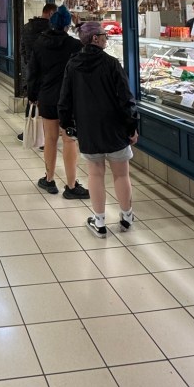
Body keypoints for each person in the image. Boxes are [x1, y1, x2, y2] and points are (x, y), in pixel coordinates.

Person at [58, 20, 138, 237]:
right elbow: (126, 99)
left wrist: (66, 124)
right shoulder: (111, 63)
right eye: (104, 35)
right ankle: (127, 216)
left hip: (88, 129)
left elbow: (65, 99)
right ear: (95, 38)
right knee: (121, 174)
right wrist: (131, 127)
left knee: (95, 174)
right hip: (115, 129)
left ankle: (100, 222)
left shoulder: (73, 65)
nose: (106, 38)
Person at [26, 5, 87, 199]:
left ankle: (49, 179)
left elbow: (33, 73)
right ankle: (71, 186)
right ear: (67, 25)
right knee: (69, 140)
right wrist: (80, 26)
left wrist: (32, 95)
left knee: (50, 139)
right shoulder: (75, 46)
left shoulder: (39, 44)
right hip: (69, 99)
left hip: (47, 98)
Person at [17, 2, 57, 140]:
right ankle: (45, 136)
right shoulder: (52, 29)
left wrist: (29, 65)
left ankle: (29, 133)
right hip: (50, 73)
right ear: (51, 13)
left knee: (32, 101)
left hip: (31, 71)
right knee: (48, 103)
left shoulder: (27, 27)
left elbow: (22, 50)